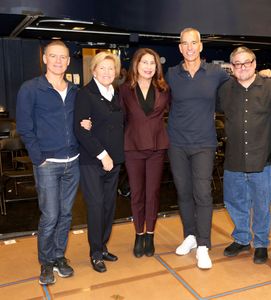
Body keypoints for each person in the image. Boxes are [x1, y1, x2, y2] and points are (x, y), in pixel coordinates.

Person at [16, 40, 80, 285]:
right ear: (44, 58)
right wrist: (38, 159)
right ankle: (46, 263)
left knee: (65, 215)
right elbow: (24, 127)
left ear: (68, 60)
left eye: (63, 57)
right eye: (53, 56)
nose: (58, 61)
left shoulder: (74, 90)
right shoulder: (30, 89)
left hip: (72, 162)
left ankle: (58, 256)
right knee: (50, 215)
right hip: (47, 164)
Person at [166, 27, 229, 269]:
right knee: (183, 193)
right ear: (180, 48)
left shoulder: (215, 72)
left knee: (202, 193)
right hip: (178, 143)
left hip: (204, 143)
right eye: (185, 43)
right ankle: (190, 236)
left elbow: (241, 80)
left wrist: (264, 76)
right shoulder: (171, 74)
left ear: (201, 46)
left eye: (194, 43)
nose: (190, 47)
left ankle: (203, 244)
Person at [218, 47, 271, 264]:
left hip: (261, 159)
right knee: (234, 202)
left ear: (255, 64)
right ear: (232, 67)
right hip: (234, 158)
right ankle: (242, 238)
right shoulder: (225, 90)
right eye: (238, 63)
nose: (243, 67)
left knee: (262, 205)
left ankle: (262, 243)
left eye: (247, 62)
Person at [74, 51, 124, 273]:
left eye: (110, 68)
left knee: (108, 206)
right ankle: (95, 253)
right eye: (102, 68)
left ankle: (103, 246)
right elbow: (80, 130)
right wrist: (102, 155)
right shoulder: (85, 94)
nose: (106, 72)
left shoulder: (117, 93)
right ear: (93, 70)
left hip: (114, 162)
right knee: (95, 207)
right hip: (93, 161)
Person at [119, 48, 170, 258]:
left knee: (153, 194)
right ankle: (139, 234)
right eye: (144, 63)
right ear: (136, 65)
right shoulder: (124, 90)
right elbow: (118, 118)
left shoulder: (165, 89)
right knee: (137, 194)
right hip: (133, 148)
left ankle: (150, 235)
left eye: (152, 63)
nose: (148, 67)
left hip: (157, 148)